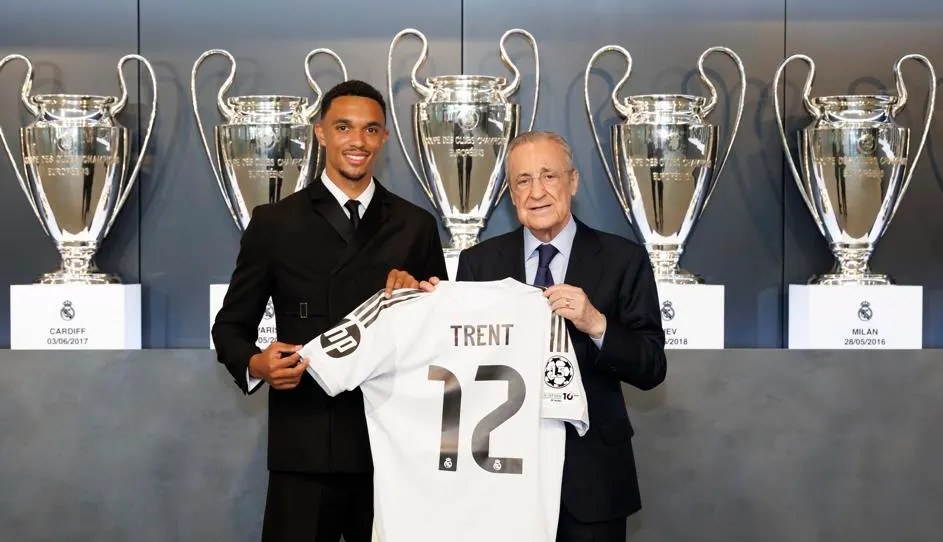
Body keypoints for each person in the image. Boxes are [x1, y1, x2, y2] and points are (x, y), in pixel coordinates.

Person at [211, 79, 448, 542]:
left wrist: (420, 296)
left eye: (371, 130)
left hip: (391, 447)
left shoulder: (415, 225)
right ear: (320, 133)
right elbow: (230, 326)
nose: (357, 141)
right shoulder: (274, 223)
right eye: (344, 127)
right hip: (304, 446)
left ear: (384, 138)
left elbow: (439, 335)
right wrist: (258, 364)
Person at [425, 130, 666, 541]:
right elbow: (461, 367)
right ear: (510, 193)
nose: (536, 192)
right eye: (522, 180)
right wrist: (434, 314)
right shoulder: (478, 263)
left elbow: (651, 367)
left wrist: (597, 323)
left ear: (572, 182)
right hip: (500, 478)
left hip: (591, 481)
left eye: (548, 176)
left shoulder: (624, 259)